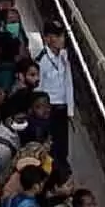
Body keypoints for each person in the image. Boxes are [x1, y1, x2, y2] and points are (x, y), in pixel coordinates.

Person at [35, 20, 73, 170]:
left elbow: (68, 82)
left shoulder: (63, 57)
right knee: (51, 147)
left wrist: (70, 109)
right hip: (49, 109)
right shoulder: (42, 60)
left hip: (62, 108)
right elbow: (39, 87)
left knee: (63, 145)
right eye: (57, 36)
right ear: (48, 38)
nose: (61, 39)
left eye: (62, 35)